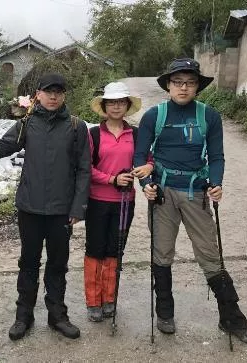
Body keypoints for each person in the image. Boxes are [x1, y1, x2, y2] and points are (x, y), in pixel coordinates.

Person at [133, 58, 247, 345]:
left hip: (197, 192)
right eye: (178, 82)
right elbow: (140, 157)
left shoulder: (210, 116)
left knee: (210, 255)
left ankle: (231, 318)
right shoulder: (154, 116)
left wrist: (216, 184)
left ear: (197, 87)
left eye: (190, 82)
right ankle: (164, 310)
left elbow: (216, 157)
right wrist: (146, 184)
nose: (183, 87)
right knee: (161, 253)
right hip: (163, 193)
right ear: (168, 85)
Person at [0, 73, 90, 341]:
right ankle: (24, 317)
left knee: (58, 265)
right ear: (38, 95)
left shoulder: (77, 127)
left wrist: (78, 208)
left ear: (63, 95)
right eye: (48, 91)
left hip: (61, 212)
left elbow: (84, 170)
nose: (53, 96)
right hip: (30, 209)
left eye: (58, 91)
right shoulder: (26, 125)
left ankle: (57, 316)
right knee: (28, 263)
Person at [85, 82, 151, 321]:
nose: (116, 106)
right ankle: (93, 300)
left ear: (127, 106)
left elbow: (148, 159)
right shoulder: (93, 134)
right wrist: (112, 179)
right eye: (111, 102)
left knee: (115, 249)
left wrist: (147, 168)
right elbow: (86, 168)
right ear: (104, 106)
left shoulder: (135, 134)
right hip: (97, 201)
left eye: (121, 102)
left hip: (125, 201)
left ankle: (109, 298)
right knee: (95, 249)